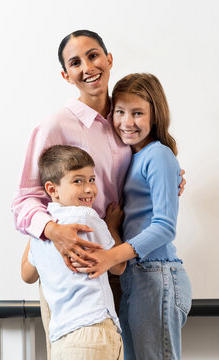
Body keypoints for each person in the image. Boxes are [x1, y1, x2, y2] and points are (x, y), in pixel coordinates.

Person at [75, 73, 192, 360]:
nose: (127, 122)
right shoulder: (133, 157)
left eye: (137, 113)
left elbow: (164, 227)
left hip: (156, 275)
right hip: (137, 278)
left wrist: (112, 257)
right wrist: (113, 228)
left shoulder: (158, 155)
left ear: (155, 116)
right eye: (120, 112)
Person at [21, 144, 126, 360]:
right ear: (52, 189)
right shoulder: (86, 217)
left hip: (62, 338)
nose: (89, 189)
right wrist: (113, 227)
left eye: (91, 179)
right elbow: (118, 266)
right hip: (93, 329)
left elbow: (27, 275)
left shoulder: (43, 229)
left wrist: (35, 231)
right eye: (78, 181)